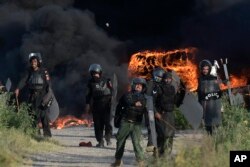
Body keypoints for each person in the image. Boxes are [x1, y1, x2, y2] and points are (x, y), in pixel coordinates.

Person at [111, 77, 147, 167]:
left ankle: (140, 162)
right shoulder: (127, 95)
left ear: (143, 87)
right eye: (137, 84)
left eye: (140, 85)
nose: (138, 86)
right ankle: (118, 161)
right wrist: (135, 103)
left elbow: (143, 106)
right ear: (134, 85)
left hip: (136, 124)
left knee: (137, 143)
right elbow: (127, 101)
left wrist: (136, 103)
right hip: (125, 122)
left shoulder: (145, 98)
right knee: (120, 142)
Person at [15, 52, 52, 137]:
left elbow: (48, 83)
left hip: (42, 96)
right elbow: (24, 80)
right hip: (32, 96)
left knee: (44, 117)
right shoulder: (29, 71)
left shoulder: (43, 71)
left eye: (35, 61)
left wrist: (48, 95)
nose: (33, 63)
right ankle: (36, 135)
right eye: (32, 61)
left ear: (38, 62)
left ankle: (47, 137)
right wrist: (18, 88)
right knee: (33, 116)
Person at [85, 64, 113, 147]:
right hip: (96, 104)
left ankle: (108, 138)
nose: (95, 75)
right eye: (93, 74)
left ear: (100, 73)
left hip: (106, 104)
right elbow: (88, 95)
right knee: (98, 124)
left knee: (107, 123)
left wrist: (112, 100)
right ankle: (100, 141)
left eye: (96, 73)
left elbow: (112, 91)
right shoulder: (90, 83)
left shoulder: (106, 80)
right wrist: (87, 104)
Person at [197, 59, 222, 135]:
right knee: (208, 129)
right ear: (201, 69)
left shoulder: (214, 79)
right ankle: (209, 143)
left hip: (214, 106)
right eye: (204, 69)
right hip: (204, 106)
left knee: (215, 128)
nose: (205, 71)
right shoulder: (200, 79)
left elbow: (219, 93)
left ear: (209, 69)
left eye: (207, 69)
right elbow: (200, 93)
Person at [154, 72, 176, 156]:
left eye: (169, 79)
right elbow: (152, 102)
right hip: (161, 115)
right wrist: (156, 112)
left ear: (171, 79)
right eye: (166, 79)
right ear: (163, 79)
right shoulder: (158, 88)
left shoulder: (172, 89)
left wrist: (182, 93)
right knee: (161, 135)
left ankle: (168, 154)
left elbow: (175, 101)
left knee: (170, 135)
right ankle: (160, 154)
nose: (167, 80)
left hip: (170, 114)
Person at [145, 67, 165, 152]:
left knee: (159, 129)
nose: (158, 79)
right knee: (151, 127)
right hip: (150, 109)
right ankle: (151, 145)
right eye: (157, 77)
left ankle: (158, 148)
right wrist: (155, 112)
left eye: (160, 78)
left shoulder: (161, 85)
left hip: (158, 110)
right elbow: (149, 100)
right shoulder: (150, 84)